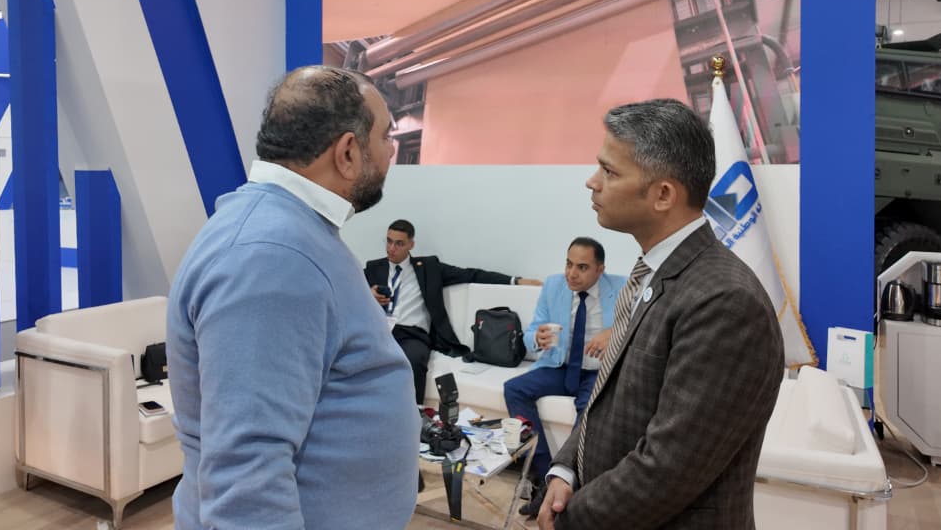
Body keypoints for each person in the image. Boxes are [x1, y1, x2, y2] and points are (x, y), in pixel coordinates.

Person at [167, 66, 420, 530]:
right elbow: (247, 477)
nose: (391, 151)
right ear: (347, 151)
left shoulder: (292, 233)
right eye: (386, 136)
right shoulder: (273, 256)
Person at [540, 99, 784, 530]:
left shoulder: (725, 302)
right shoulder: (654, 273)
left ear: (664, 195)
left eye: (609, 171)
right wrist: (566, 469)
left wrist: (570, 520)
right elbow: (608, 398)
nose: (592, 182)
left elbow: (668, 469)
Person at [503, 237, 626, 518]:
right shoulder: (553, 285)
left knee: (589, 409)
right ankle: (544, 477)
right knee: (514, 389)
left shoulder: (622, 287)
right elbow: (532, 331)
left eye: (582, 267)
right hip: (560, 366)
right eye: (569, 264)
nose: (572, 273)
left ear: (600, 270)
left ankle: (569, 481)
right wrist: (537, 338)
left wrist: (613, 333)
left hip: (597, 370)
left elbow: (640, 326)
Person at [364, 219, 541, 404]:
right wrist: (367, 293)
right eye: (389, 241)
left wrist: (515, 280)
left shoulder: (429, 267)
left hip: (412, 334)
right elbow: (347, 288)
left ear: (411, 244)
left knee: (414, 361)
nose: (391, 248)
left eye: (399, 243)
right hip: (380, 331)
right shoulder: (373, 268)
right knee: (357, 357)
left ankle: (414, 413)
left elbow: (471, 274)